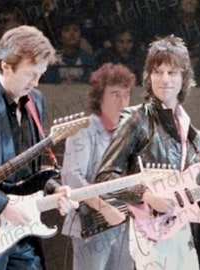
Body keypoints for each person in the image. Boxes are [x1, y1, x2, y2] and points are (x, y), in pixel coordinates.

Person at [0, 25, 78, 270]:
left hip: (23, 230)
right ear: (6, 66)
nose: (36, 82)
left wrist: (54, 188)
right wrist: (3, 205)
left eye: (41, 74)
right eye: (30, 74)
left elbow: (32, 170)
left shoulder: (36, 101)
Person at [95, 35, 200, 270]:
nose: (164, 79)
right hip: (148, 235)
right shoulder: (136, 119)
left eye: (172, 72)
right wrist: (146, 196)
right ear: (148, 76)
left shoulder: (194, 136)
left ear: (184, 78)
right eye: (157, 72)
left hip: (185, 236)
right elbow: (104, 177)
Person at [61, 63, 135, 270]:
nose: (123, 102)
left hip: (123, 221)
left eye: (126, 95)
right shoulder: (83, 129)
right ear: (99, 97)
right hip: (91, 224)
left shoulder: (128, 132)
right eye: (115, 94)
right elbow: (72, 177)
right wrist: (104, 208)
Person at [41, 13, 96, 84]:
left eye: (76, 30)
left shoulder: (88, 60)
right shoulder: (52, 61)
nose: (72, 33)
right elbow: (47, 85)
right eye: (67, 30)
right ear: (60, 37)